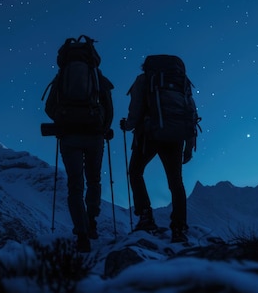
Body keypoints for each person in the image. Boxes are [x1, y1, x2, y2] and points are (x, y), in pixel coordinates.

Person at [44, 36, 114, 253]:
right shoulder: (97, 76)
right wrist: (103, 127)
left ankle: (82, 234)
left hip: (69, 138)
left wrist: (63, 120)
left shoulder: (61, 77)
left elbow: (49, 107)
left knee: (75, 185)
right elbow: (109, 108)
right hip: (94, 135)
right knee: (94, 180)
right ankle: (92, 221)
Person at [120, 55, 197, 243]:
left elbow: (136, 108)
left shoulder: (144, 79)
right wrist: (189, 145)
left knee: (136, 172)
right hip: (177, 136)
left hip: (150, 135)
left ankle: (146, 217)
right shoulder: (182, 82)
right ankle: (179, 229)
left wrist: (128, 125)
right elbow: (191, 112)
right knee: (176, 182)